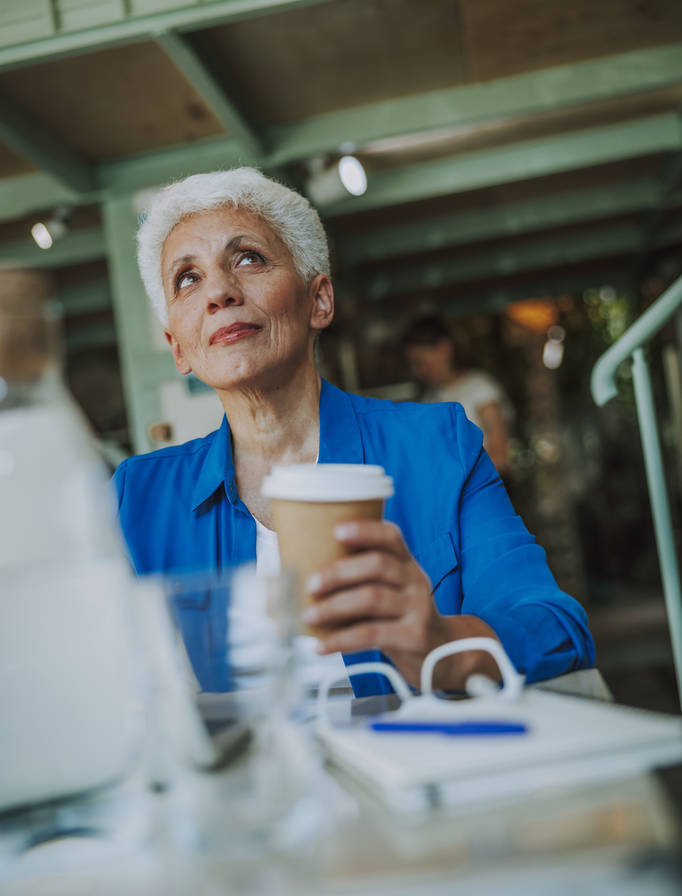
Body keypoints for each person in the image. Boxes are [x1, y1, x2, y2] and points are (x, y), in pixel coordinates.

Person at [114, 167, 594, 700]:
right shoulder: (138, 497)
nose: (219, 291)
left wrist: (442, 645)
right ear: (177, 347)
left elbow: (555, 626)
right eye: (187, 278)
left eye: (247, 258)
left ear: (319, 300)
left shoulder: (439, 445)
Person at [401, 315, 511, 474]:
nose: (419, 371)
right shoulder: (430, 398)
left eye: (422, 362)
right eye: (414, 365)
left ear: (444, 349)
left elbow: (500, 457)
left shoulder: (480, 388)